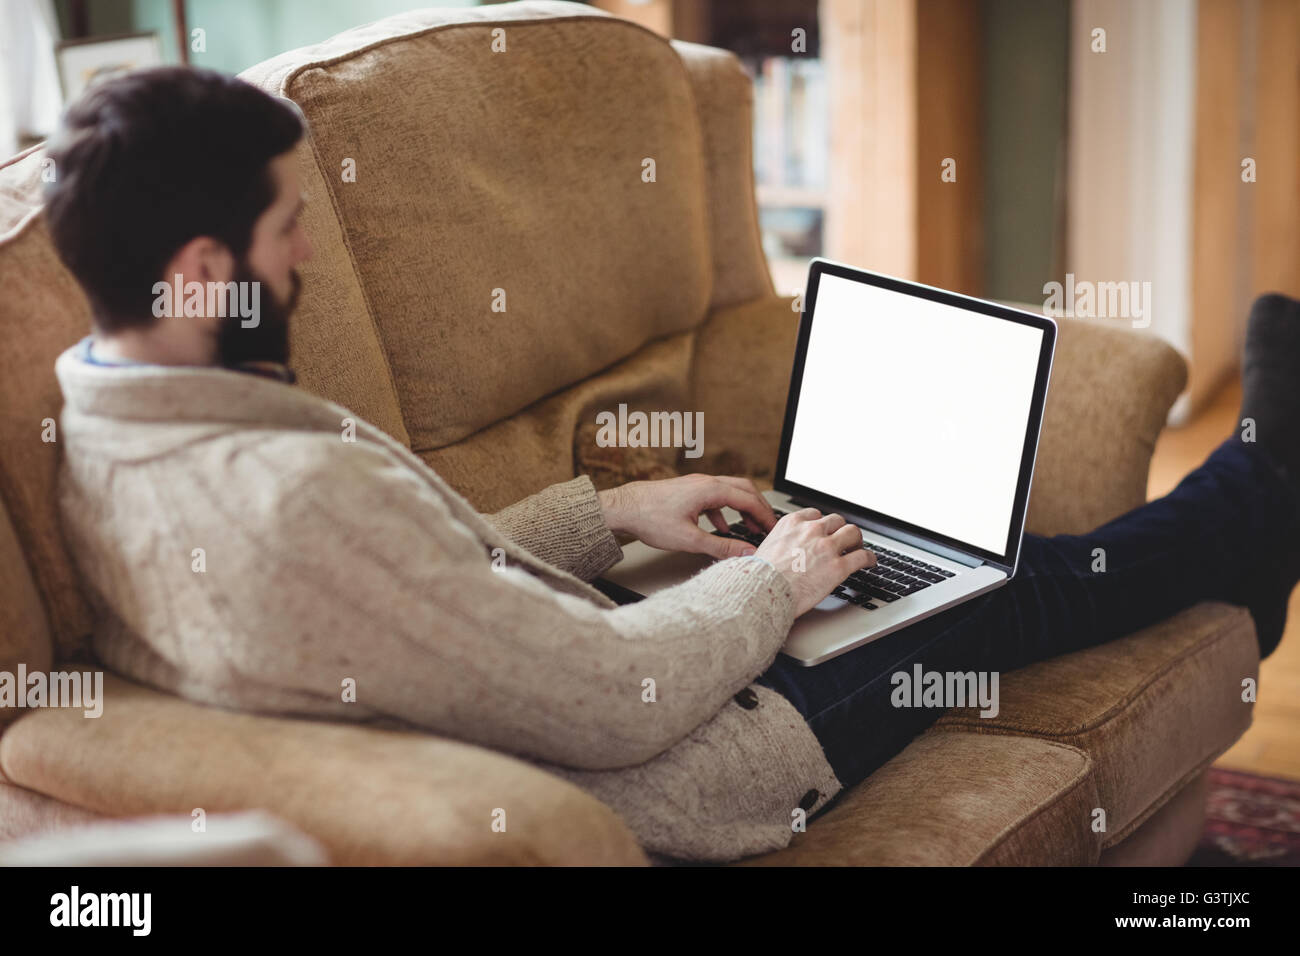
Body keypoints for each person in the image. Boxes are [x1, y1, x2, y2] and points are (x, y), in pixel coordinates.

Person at [44, 66, 1300, 863]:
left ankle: (1250, 519)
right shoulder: (277, 495)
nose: (307, 250)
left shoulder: (112, 426)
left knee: (951, 565)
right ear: (202, 271)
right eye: (284, 225)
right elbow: (605, 699)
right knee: (1012, 587)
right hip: (703, 761)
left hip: (597, 670)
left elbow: (407, 576)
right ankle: (1258, 497)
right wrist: (778, 580)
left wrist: (614, 512)